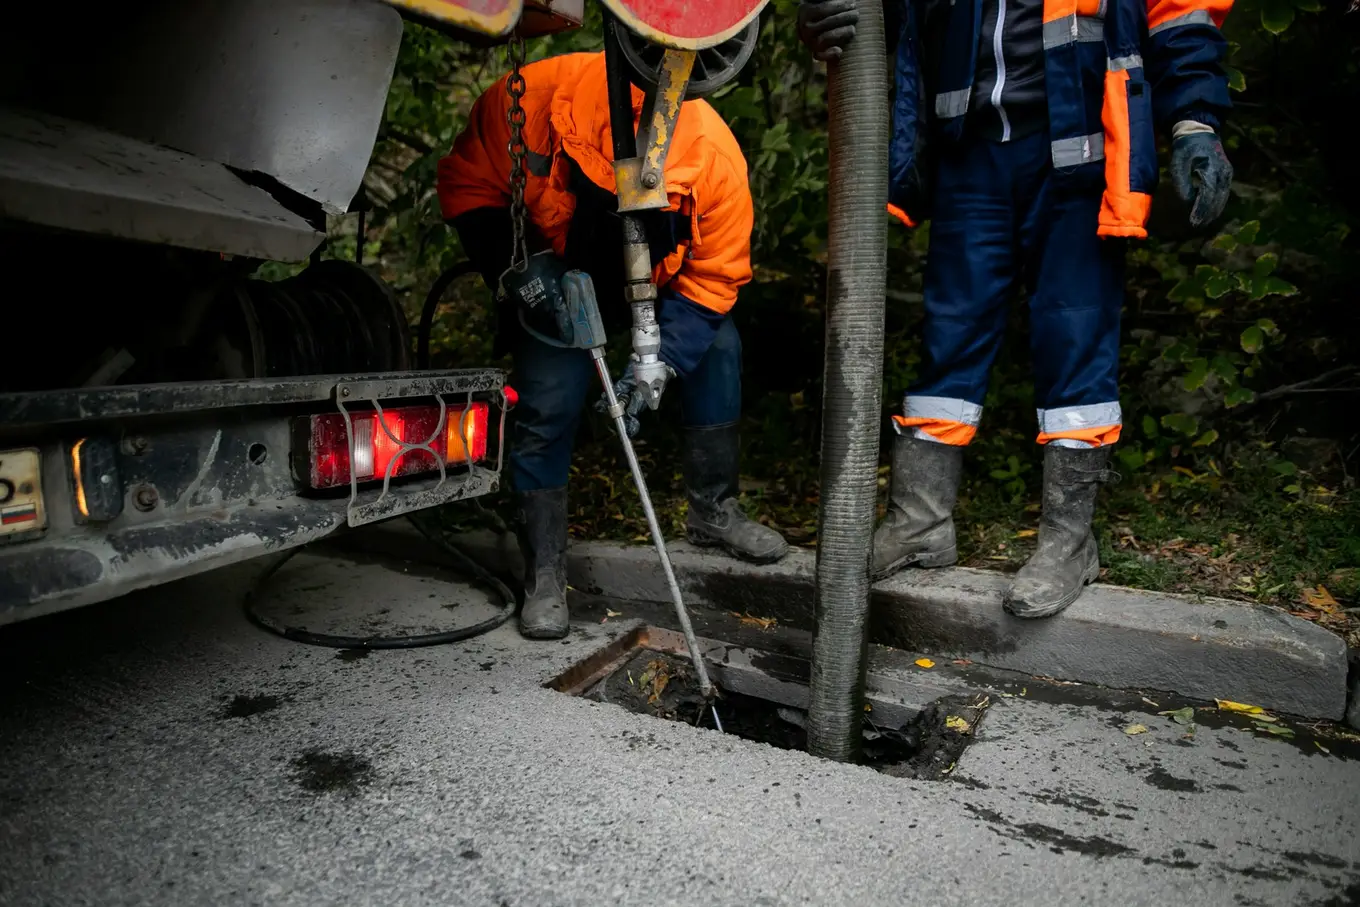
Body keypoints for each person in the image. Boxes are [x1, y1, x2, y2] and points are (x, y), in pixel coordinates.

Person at [798, 0, 1234, 618]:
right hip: (971, 153)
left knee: (1074, 334)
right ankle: (921, 521)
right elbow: (887, 18)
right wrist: (825, 21)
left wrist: (1195, 120)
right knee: (949, 332)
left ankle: (1068, 543)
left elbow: (1179, 16)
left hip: (1077, 151)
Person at [438, 51, 789, 640]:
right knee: (548, 397)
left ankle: (714, 511)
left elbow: (715, 278)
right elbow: (467, 182)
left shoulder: (714, 159)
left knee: (718, 349)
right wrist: (520, 268)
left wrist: (663, 360)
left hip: (658, 285)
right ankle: (545, 571)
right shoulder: (532, 99)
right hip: (560, 276)